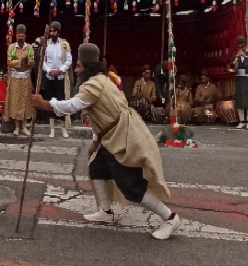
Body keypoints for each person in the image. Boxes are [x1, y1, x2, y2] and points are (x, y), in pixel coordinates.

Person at [31, 43, 181, 240]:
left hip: (123, 137)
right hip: (110, 135)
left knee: (130, 185)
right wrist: (95, 141)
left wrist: (44, 104)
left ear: (86, 65)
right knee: (97, 168)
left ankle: (170, 217)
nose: (75, 68)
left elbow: (72, 106)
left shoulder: (94, 85)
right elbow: (100, 114)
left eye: (78, 64)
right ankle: (106, 212)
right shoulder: (102, 79)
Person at [42, 22, 72, 138]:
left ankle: (63, 129)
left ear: (58, 32)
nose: (52, 33)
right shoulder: (46, 44)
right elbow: (42, 61)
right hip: (49, 77)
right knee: (51, 103)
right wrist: (49, 70)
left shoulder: (64, 44)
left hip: (60, 77)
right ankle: (52, 129)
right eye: (51, 31)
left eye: (54, 31)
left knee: (61, 102)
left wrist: (60, 70)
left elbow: (69, 60)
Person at [4, 24, 35, 136]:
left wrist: (27, 61)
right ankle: (17, 127)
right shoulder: (12, 47)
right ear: (16, 36)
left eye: (22, 36)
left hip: (26, 78)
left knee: (26, 102)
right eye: (19, 36)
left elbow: (32, 62)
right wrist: (20, 62)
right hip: (15, 78)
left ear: (25, 36)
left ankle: (24, 127)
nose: (20, 38)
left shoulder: (29, 48)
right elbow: (9, 62)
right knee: (16, 101)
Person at [233, 36, 248, 130]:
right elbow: (231, 66)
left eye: (242, 46)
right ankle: (242, 121)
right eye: (238, 46)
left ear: (245, 45)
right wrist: (236, 59)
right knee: (240, 100)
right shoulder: (235, 54)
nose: (240, 48)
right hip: (240, 77)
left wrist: (245, 57)